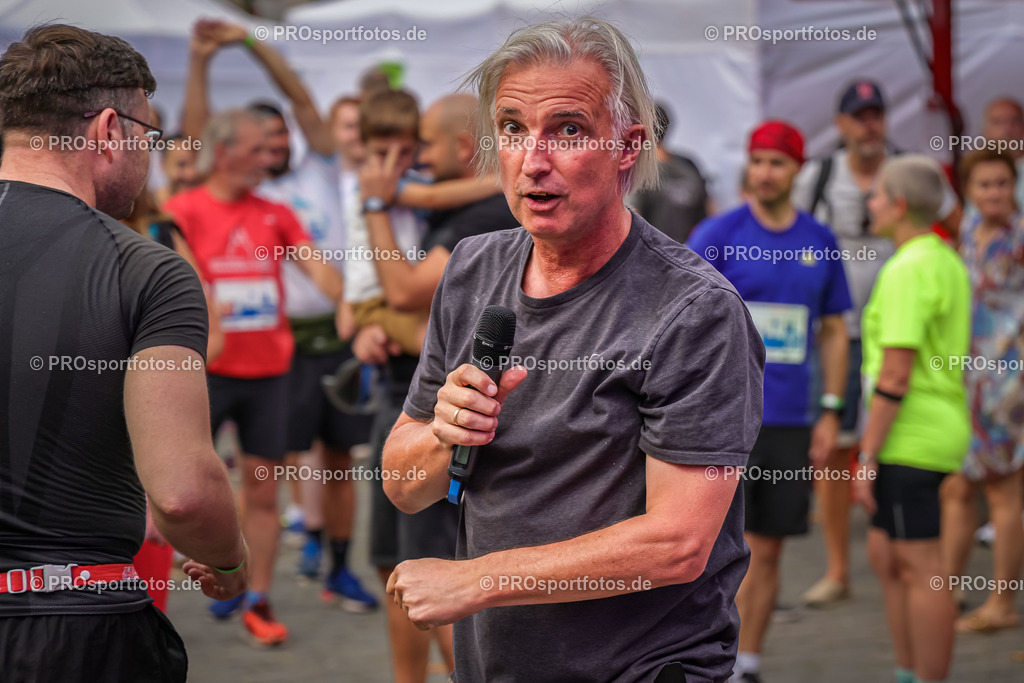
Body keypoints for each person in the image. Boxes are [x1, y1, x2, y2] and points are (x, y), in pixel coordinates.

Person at [380, 17, 764, 683]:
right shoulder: (473, 269)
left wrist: (479, 579)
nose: (534, 159)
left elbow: (678, 542)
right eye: (512, 128)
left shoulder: (693, 311)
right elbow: (403, 485)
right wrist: (447, 434)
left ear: (628, 146)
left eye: (569, 129)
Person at [0, 25, 245, 680]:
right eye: (149, 134)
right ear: (110, 129)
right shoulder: (145, 270)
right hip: (72, 623)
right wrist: (229, 561)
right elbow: (185, 493)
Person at [182, 18, 380, 611]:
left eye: (277, 138)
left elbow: (298, 98)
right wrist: (200, 61)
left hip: (330, 335)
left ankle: (333, 565)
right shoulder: (230, 193)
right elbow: (198, 135)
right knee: (271, 464)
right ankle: (250, 569)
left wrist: (252, 42)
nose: (271, 149)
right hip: (269, 345)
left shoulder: (318, 166)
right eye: (258, 142)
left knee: (338, 458)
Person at [164, 107, 349, 646]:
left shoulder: (274, 212)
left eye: (273, 150)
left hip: (270, 373)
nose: (269, 158)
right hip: (205, 375)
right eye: (257, 149)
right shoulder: (181, 211)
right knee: (180, 489)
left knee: (264, 494)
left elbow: (319, 270)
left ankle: (257, 599)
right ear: (222, 153)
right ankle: (173, 587)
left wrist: (353, 296)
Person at [354, 91, 519, 683]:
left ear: (457, 146)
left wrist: (374, 203)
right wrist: (369, 325)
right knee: (394, 565)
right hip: (403, 399)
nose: (416, 156)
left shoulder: (483, 218)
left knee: (431, 570)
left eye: (424, 142)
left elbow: (403, 290)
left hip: (441, 417)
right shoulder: (450, 205)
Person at [688, 121, 852, 683]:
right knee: (706, 549)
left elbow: (832, 329)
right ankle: (704, 657)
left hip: (786, 419)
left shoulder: (819, 241)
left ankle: (747, 663)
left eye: (777, 163)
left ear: (797, 171)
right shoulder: (717, 233)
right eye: (757, 161)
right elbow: (681, 320)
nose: (764, 173)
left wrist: (830, 408)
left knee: (767, 547)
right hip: (721, 418)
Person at [792, 79, 962, 607]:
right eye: (858, 116)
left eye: (876, 114)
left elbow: (956, 221)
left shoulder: (911, 172)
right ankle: (843, 570)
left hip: (901, 338)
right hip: (839, 335)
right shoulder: (819, 176)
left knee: (902, 460)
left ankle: (930, 577)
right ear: (841, 125)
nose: (870, 124)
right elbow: (793, 234)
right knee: (836, 450)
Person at [853, 155, 971, 683]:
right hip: (937, 428)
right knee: (890, 557)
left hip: (910, 439)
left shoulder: (906, 268)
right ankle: (909, 672)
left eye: (877, 194)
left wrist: (867, 455)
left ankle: (926, 678)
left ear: (899, 206)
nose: (870, 202)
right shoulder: (944, 257)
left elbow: (895, 375)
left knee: (922, 567)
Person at [942, 149, 1024, 634]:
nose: (994, 192)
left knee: (1004, 491)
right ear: (970, 191)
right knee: (958, 484)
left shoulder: (1018, 236)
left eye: (1002, 183)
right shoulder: (970, 228)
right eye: (984, 184)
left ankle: (1002, 603)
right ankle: (947, 588)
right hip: (970, 378)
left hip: (1009, 383)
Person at [629, 102, 713, 242]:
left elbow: (631, 223)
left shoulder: (636, 168)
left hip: (652, 255)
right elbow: (707, 218)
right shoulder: (689, 165)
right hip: (686, 255)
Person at [981, 97, 1024, 208]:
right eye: (998, 122)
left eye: (1014, 121)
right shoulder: (974, 170)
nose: (1007, 128)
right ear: (986, 130)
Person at [153, 133, 200, 208]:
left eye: (196, 164)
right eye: (181, 164)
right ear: (163, 164)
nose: (191, 173)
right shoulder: (150, 210)